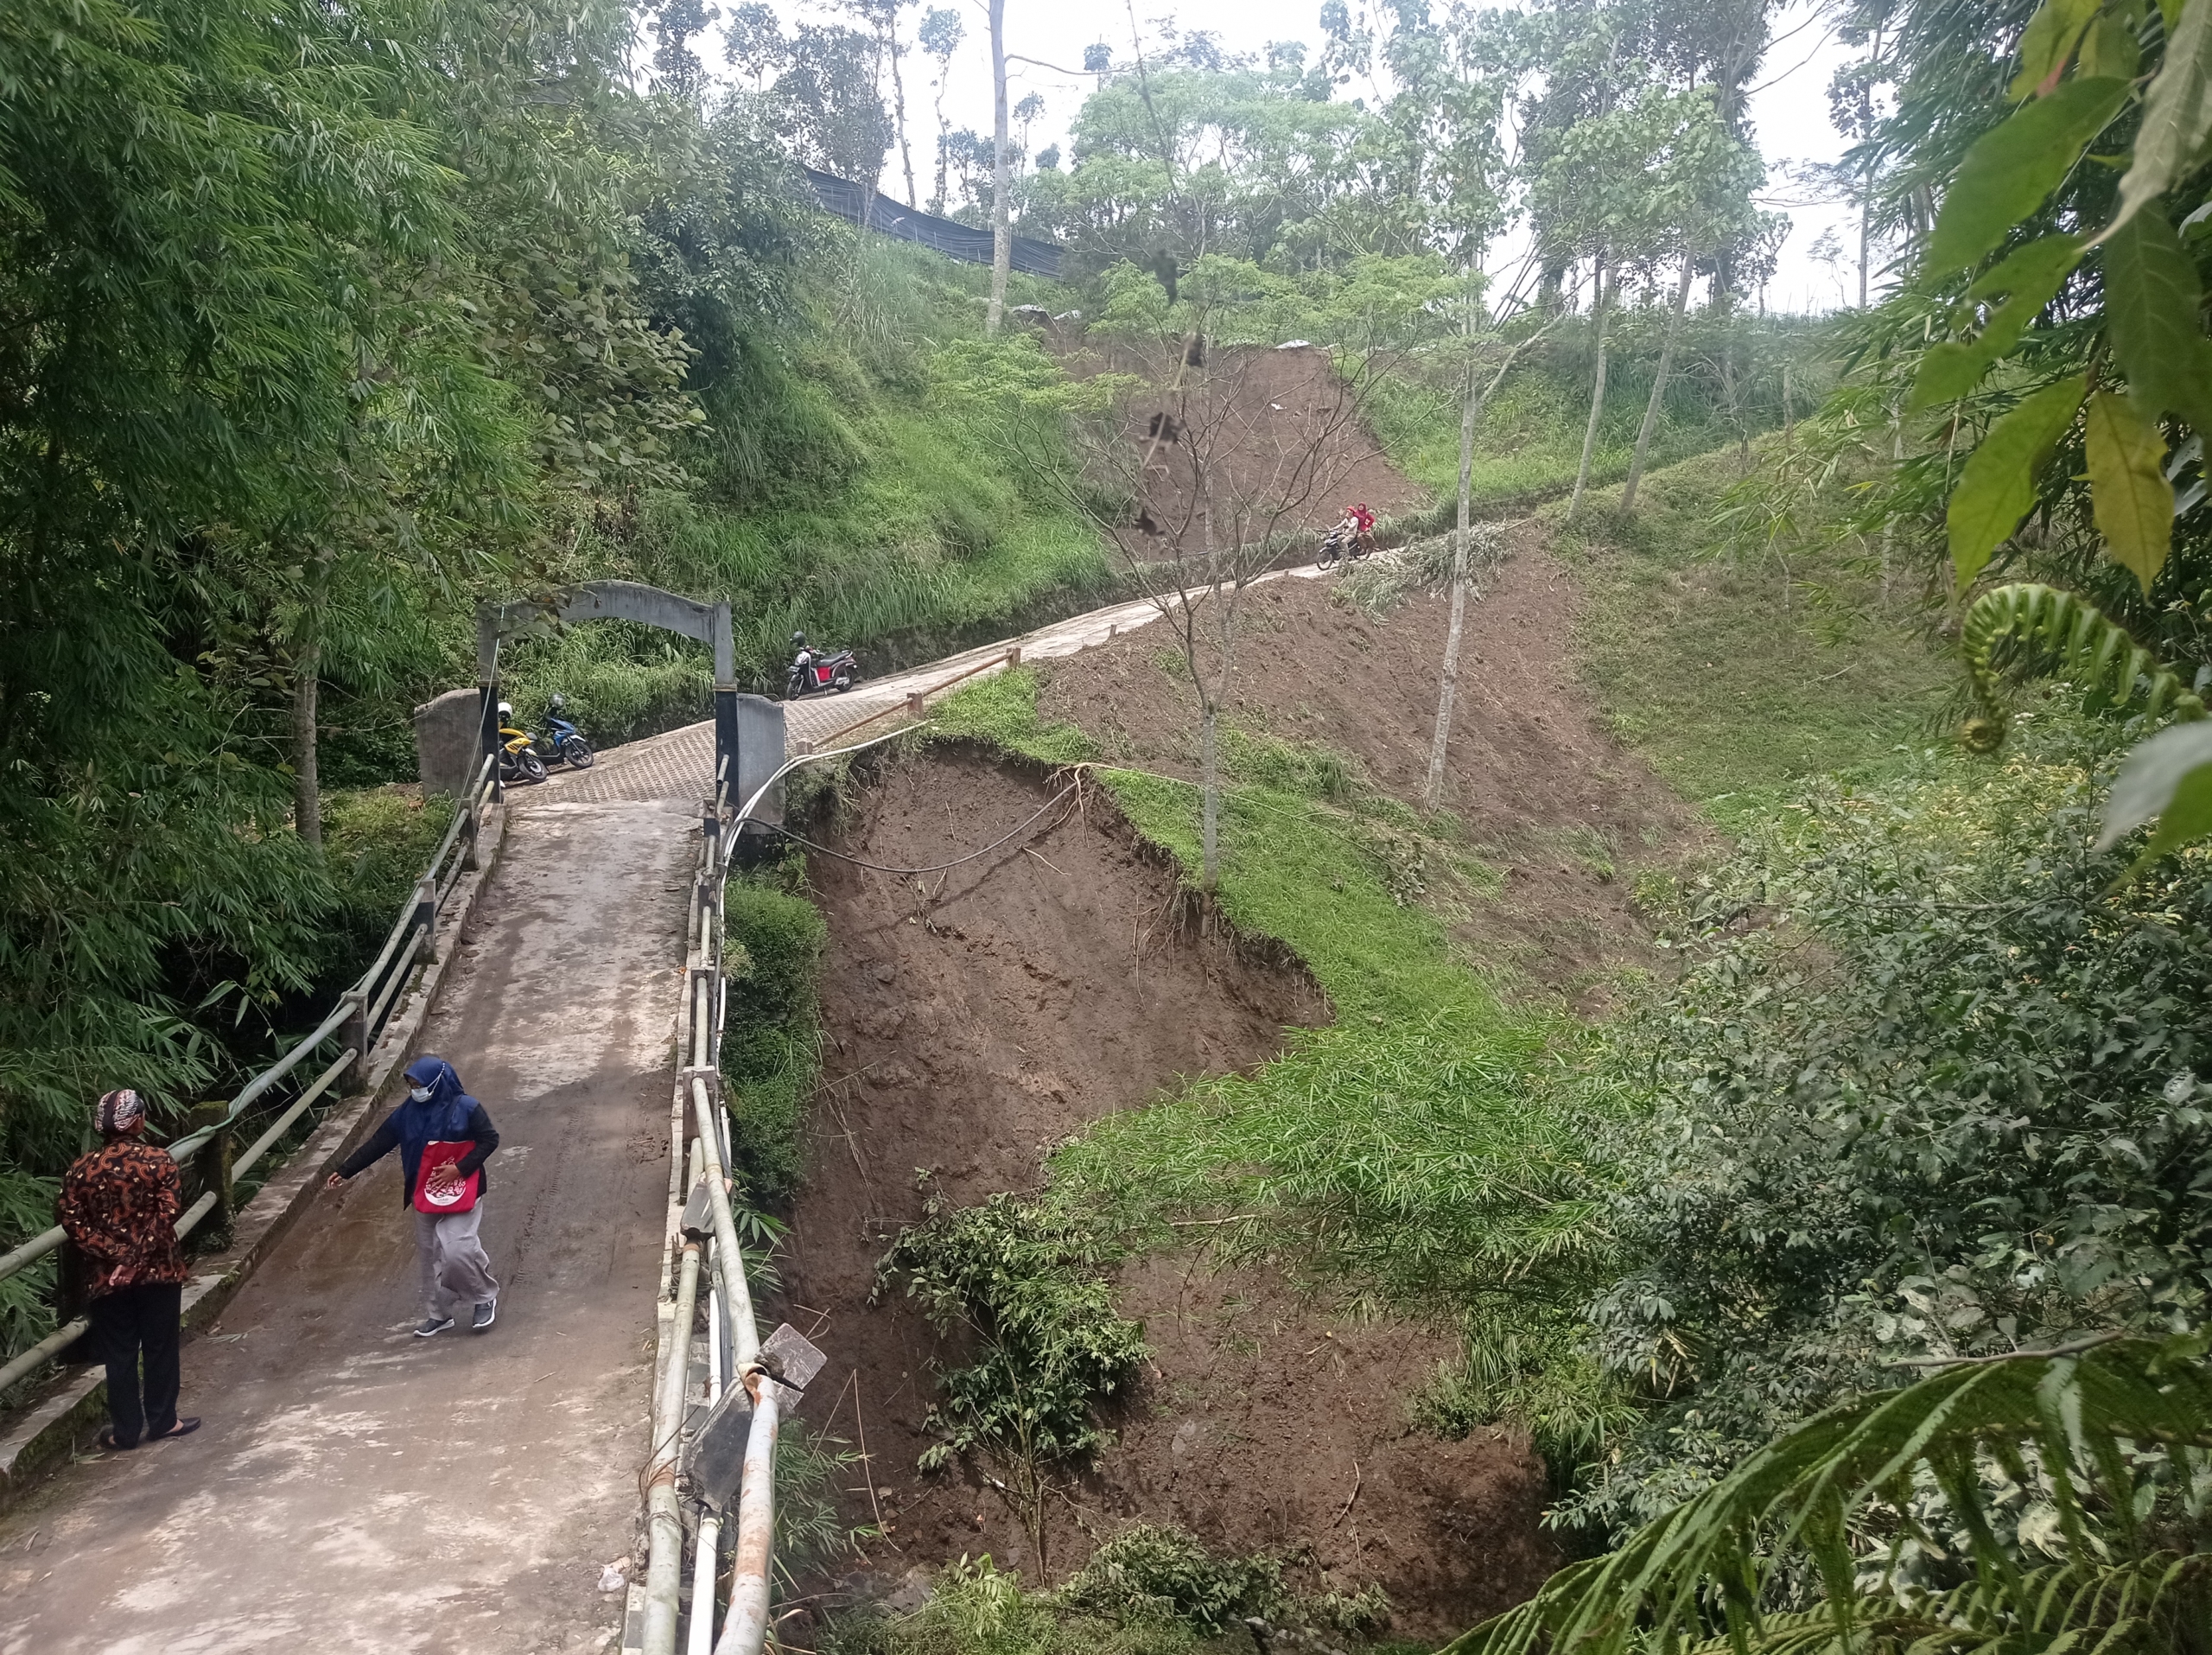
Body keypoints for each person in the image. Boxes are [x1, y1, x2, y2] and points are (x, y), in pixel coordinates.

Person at [56, 1089, 200, 1450]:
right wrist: (134, 1260)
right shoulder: (158, 1160)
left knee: (119, 1353)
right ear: (137, 1121)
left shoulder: (80, 1170)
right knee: (159, 1347)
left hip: (107, 1278)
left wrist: (117, 1257)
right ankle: (164, 1420)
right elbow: (167, 1214)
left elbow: (73, 1225)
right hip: (159, 1272)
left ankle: (125, 1432)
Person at [325, 1055, 501, 1336]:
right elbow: (379, 1143)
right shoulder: (406, 1113)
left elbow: (489, 1139)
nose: (415, 1090)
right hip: (424, 1194)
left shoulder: (468, 1108)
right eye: (411, 1084)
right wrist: (346, 1170)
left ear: (437, 1083)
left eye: (419, 1084)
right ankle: (439, 1314)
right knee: (430, 1256)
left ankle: (484, 1297)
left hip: (462, 1192)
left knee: (458, 1250)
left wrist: (460, 1169)